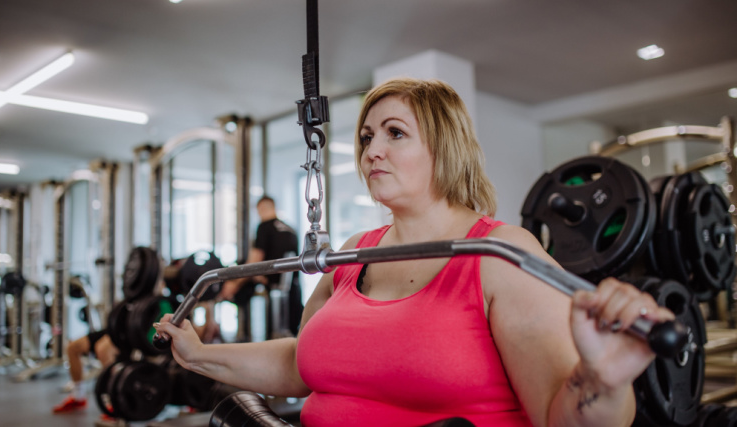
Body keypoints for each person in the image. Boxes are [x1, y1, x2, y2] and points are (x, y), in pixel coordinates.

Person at [155, 78, 674, 427]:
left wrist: (601, 379)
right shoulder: (353, 255)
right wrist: (200, 355)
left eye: (394, 133)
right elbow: (300, 361)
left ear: (444, 147)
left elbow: (559, 416)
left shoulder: (499, 254)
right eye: (366, 137)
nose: (371, 150)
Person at [221, 196, 303, 338]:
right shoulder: (291, 229)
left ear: (261, 209)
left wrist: (234, 283)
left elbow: (254, 262)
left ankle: (241, 336)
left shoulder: (264, 227)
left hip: (273, 289)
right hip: (293, 291)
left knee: (235, 285)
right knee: (291, 337)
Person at [52, 330, 118, 413]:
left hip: (128, 330)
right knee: (72, 347)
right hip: (112, 328)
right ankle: (78, 397)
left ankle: (114, 403)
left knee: (102, 349)